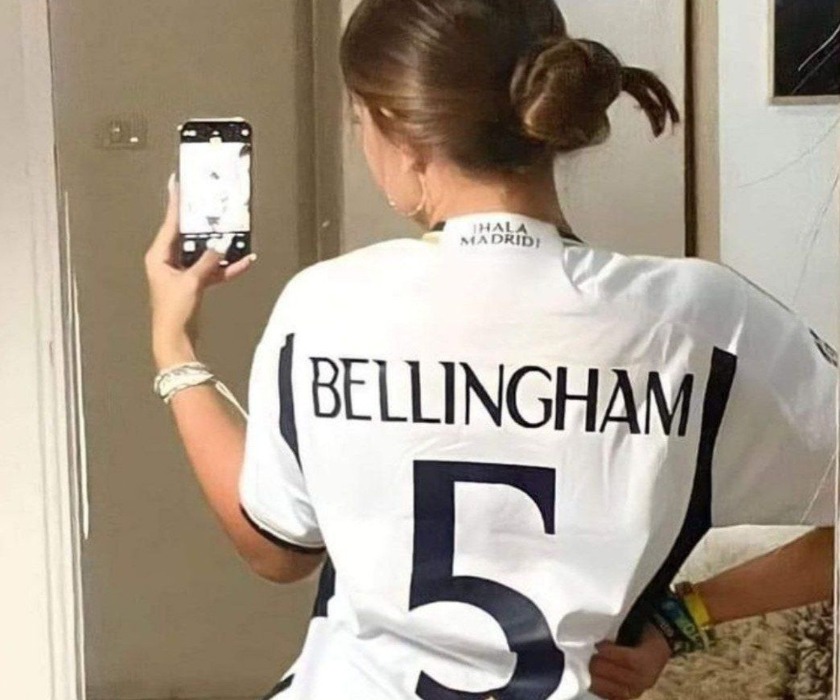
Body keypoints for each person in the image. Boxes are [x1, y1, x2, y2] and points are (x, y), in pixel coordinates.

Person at [144, 1, 837, 698]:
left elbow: (276, 552)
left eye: (359, 123)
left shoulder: (324, 306)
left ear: (399, 132)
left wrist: (174, 346)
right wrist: (687, 615)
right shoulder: (702, 321)